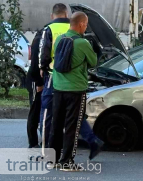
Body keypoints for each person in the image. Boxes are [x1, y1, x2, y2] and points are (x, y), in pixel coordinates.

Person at [48, 12, 97, 171]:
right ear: (82, 24)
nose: (86, 27)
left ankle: (53, 159)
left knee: (56, 124)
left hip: (58, 88)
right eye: (86, 24)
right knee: (72, 126)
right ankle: (66, 161)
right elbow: (93, 62)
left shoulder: (60, 39)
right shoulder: (83, 43)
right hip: (75, 89)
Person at [39, 3, 70, 150]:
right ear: (66, 14)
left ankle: (47, 150)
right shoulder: (75, 27)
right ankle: (64, 152)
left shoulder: (49, 28)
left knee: (47, 113)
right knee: (67, 115)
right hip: (71, 79)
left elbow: (43, 52)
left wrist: (42, 68)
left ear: (53, 15)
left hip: (53, 76)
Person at [26, 28, 45, 148]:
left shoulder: (41, 39)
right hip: (35, 80)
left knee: (40, 110)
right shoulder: (39, 40)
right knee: (35, 110)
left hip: (40, 80)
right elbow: (34, 65)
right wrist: (38, 83)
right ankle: (32, 142)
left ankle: (41, 139)